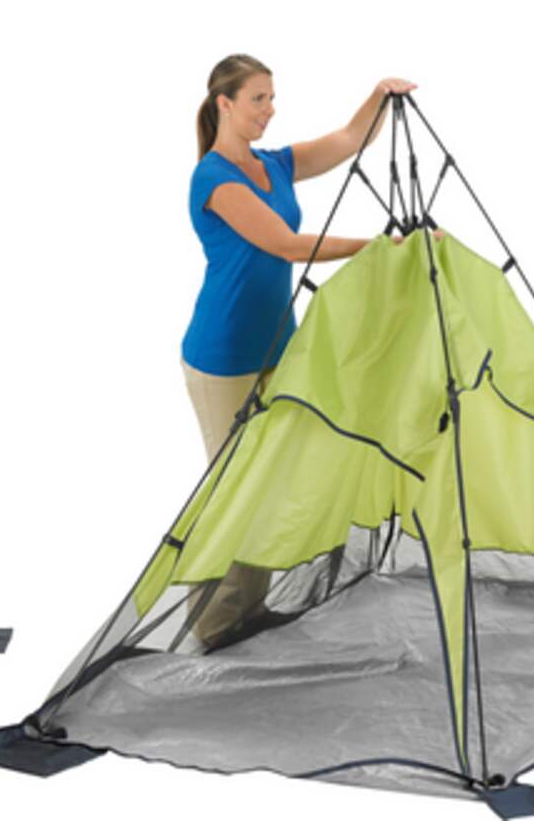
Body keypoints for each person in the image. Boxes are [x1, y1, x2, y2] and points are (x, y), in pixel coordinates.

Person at [181, 54, 412, 645]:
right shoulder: (213, 179)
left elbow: (348, 140)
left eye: (272, 98)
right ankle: (213, 623)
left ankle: (248, 611)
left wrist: (380, 94)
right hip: (223, 358)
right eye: (257, 99)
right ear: (224, 104)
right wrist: (377, 246)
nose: (270, 110)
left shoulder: (274, 165)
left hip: (277, 347)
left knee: (271, 480)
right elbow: (285, 244)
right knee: (235, 488)